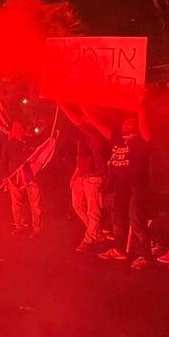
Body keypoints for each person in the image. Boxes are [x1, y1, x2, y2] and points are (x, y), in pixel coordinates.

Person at [83, 98, 153, 270]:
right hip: (121, 183)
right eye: (124, 123)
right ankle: (119, 249)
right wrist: (85, 108)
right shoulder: (117, 139)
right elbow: (98, 125)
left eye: (130, 123)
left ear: (136, 126)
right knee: (118, 217)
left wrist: (141, 106)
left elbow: (143, 120)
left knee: (136, 218)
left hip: (137, 184)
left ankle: (146, 256)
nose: (125, 125)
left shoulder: (142, 140)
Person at [60, 103, 109, 252]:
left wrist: (64, 105)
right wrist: (76, 174)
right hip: (82, 176)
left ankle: (89, 239)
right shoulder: (83, 137)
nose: (82, 119)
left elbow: (77, 121)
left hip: (94, 177)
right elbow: (82, 157)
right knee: (77, 205)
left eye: (86, 117)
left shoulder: (98, 134)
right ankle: (96, 233)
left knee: (93, 211)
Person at [0, 121, 42, 237]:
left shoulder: (30, 142)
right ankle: (19, 226)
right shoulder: (8, 144)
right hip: (15, 178)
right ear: (13, 130)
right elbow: (3, 162)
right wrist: (5, 177)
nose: (21, 130)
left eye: (22, 128)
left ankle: (37, 228)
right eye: (18, 128)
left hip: (31, 177)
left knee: (35, 204)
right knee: (16, 204)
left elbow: (38, 157)